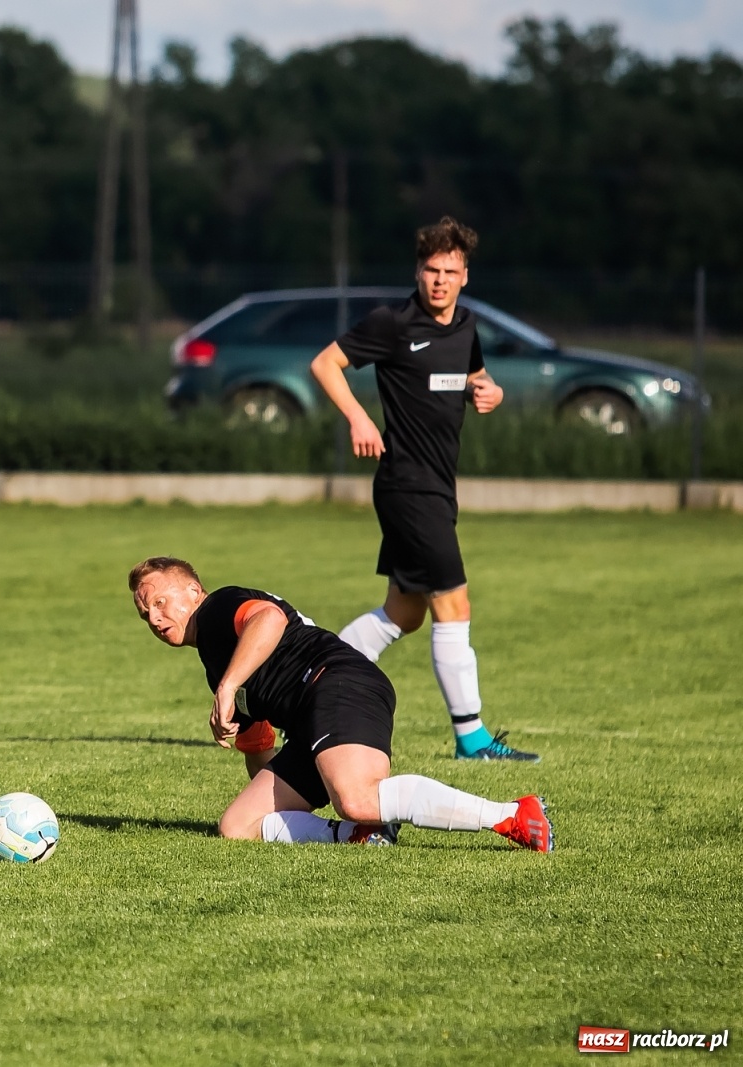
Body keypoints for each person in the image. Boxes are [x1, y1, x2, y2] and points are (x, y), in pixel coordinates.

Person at [128, 556, 553, 851]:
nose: (156, 618)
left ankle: (513, 815)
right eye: (146, 614)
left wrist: (227, 688)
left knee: (357, 797)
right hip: (312, 719)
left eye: (161, 602)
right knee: (238, 825)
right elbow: (259, 745)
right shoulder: (215, 659)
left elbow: (270, 619)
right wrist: (258, 767)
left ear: (194, 589)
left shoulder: (219, 605)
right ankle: (358, 834)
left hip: (337, 683)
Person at [311, 216, 538, 762]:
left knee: (404, 613)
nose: (439, 280)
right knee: (453, 604)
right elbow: (326, 363)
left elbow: (473, 380)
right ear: (418, 271)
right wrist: (359, 420)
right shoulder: (392, 323)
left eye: (450, 271)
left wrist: (491, 393)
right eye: (431, 270)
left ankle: (312, 678)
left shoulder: (466, 328)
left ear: (465, 276)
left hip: (438, 485)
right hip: (406, 484)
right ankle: (472, 738)